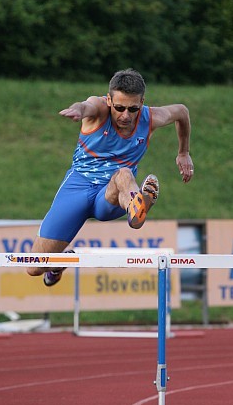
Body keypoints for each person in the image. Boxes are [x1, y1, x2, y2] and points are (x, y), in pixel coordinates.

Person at [27, 68, 194, 286]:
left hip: (112, 195)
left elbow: (181, 112)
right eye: (119, 108)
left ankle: (137, 207)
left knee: (123, 173)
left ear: (142, 102)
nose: (126, 116)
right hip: (77, 189)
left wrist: (183, 152)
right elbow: (85, 105)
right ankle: (60, 262)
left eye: (133, 109)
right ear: (109, 101)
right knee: (34, 267)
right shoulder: (99, 108)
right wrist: (77, 110)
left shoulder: (151, 118)